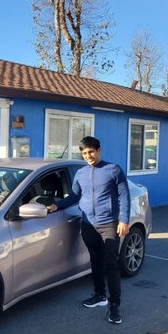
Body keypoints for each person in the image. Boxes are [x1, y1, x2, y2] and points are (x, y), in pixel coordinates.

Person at [48, 136, 130, 324]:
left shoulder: (113, 170)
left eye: (91, 151)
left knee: (111, 263)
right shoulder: (81, 173)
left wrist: (123, 220)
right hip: (88, 224)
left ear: (99, 150)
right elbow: (74, 195)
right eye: (84, 153)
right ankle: (100, 295)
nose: (88, 156)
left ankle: (114, 304)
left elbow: (124, 196)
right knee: (95, 260)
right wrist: (56, 206)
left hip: (109, 223)